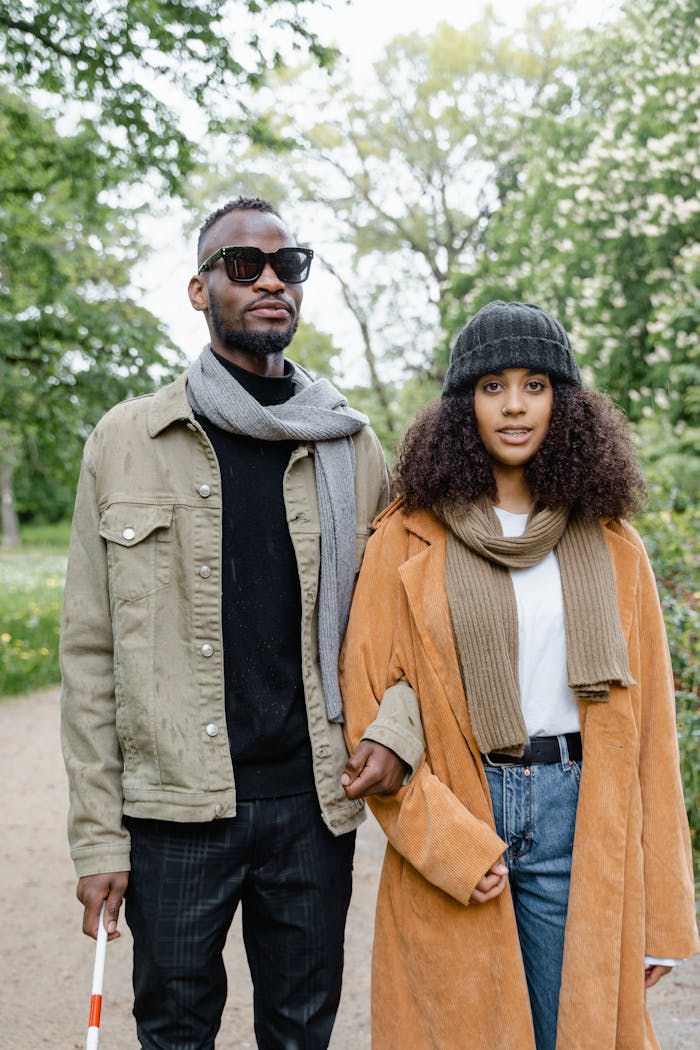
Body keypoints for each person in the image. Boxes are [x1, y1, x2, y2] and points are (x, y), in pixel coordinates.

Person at [60, 196, 408, 1050]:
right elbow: (90, 654)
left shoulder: (351, 447)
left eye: (288, 266)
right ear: (199, 287)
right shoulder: (126, 440)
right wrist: (98, 840)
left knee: (301, 1033)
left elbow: (407, 616)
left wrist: (398, 728)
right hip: (176, 811)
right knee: (174, 1032)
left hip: (312, 805)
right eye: (243, 265)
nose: (269, 281)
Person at [339, 300, 699, 1049]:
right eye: (492, 385)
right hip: (466, 800)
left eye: (535, 385)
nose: (513, 405)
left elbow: (652, 738)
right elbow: (370, 715)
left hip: (582, 813)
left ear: (563, 404)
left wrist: (663, 915)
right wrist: (451, 845)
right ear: (461, 404)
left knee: (578, 1031)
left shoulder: (612, 542)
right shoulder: (407, 534)